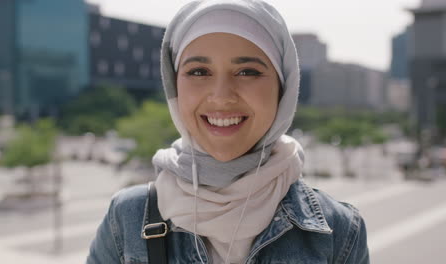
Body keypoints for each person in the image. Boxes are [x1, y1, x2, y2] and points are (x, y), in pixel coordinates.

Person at [87, 0, 370, 263]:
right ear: (174, 86)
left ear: (283, 89)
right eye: (199, 72)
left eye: (247, 71)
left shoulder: (340, 233)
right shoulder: (126, 219)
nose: (221, 97)